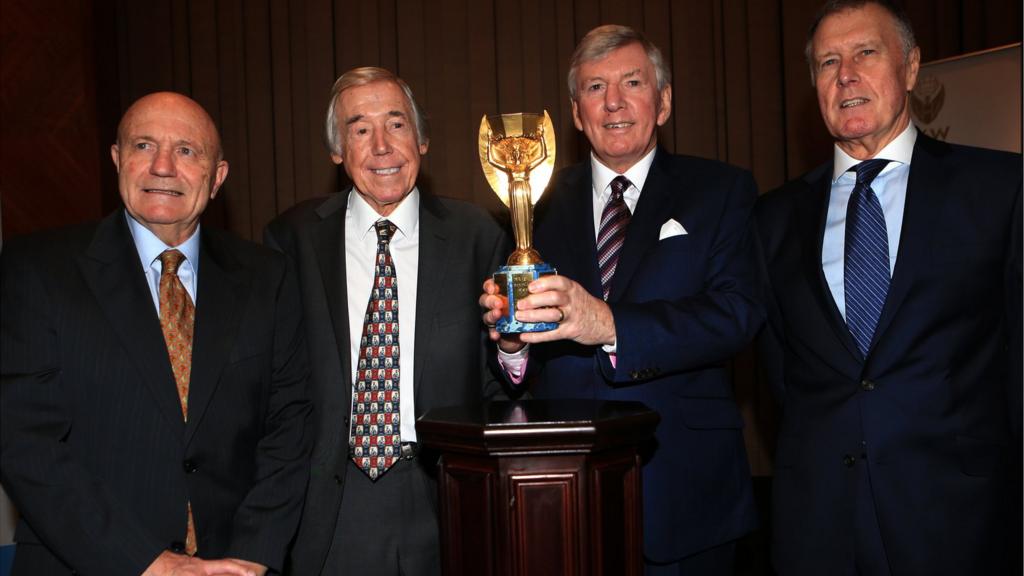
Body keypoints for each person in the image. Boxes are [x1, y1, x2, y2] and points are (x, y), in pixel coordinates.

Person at [480, 25, 763, 575]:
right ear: (576, 113)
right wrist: (512, 342)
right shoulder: (532, 205)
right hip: (563, 495)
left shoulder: (721, 190)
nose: (613, 102)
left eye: (632, 82)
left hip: (686, 493)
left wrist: (609, 324)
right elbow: (517, 370)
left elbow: (737, 315)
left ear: (663, 102)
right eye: (594, 88)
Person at [754, 1, 1023, 574]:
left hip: (961, 519)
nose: (845, 74)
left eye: (865, 53)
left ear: (910, 67)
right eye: (828, 62)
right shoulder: (771, 219)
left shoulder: (1000, 190)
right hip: (819, 523)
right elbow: (781, 368)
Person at [0, 92, 312, 575]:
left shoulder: (267, 278)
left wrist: (253, 555)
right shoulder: (37, 271)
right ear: (117, 159)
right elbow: (24, 442)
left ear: (218, 176)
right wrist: (147, 562)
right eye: (144, 145)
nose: (163, 166)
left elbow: (290, 429)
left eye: (187, 150)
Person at [264, 67, 507, 575]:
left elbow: (502, 382)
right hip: (329, 502)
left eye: (396, 125)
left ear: (421, 139)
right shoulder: (293, 239)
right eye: (359, 129)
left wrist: (515, 351)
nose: (381, 146)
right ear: (337, 151)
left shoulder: (476, 236)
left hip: (444, 495)